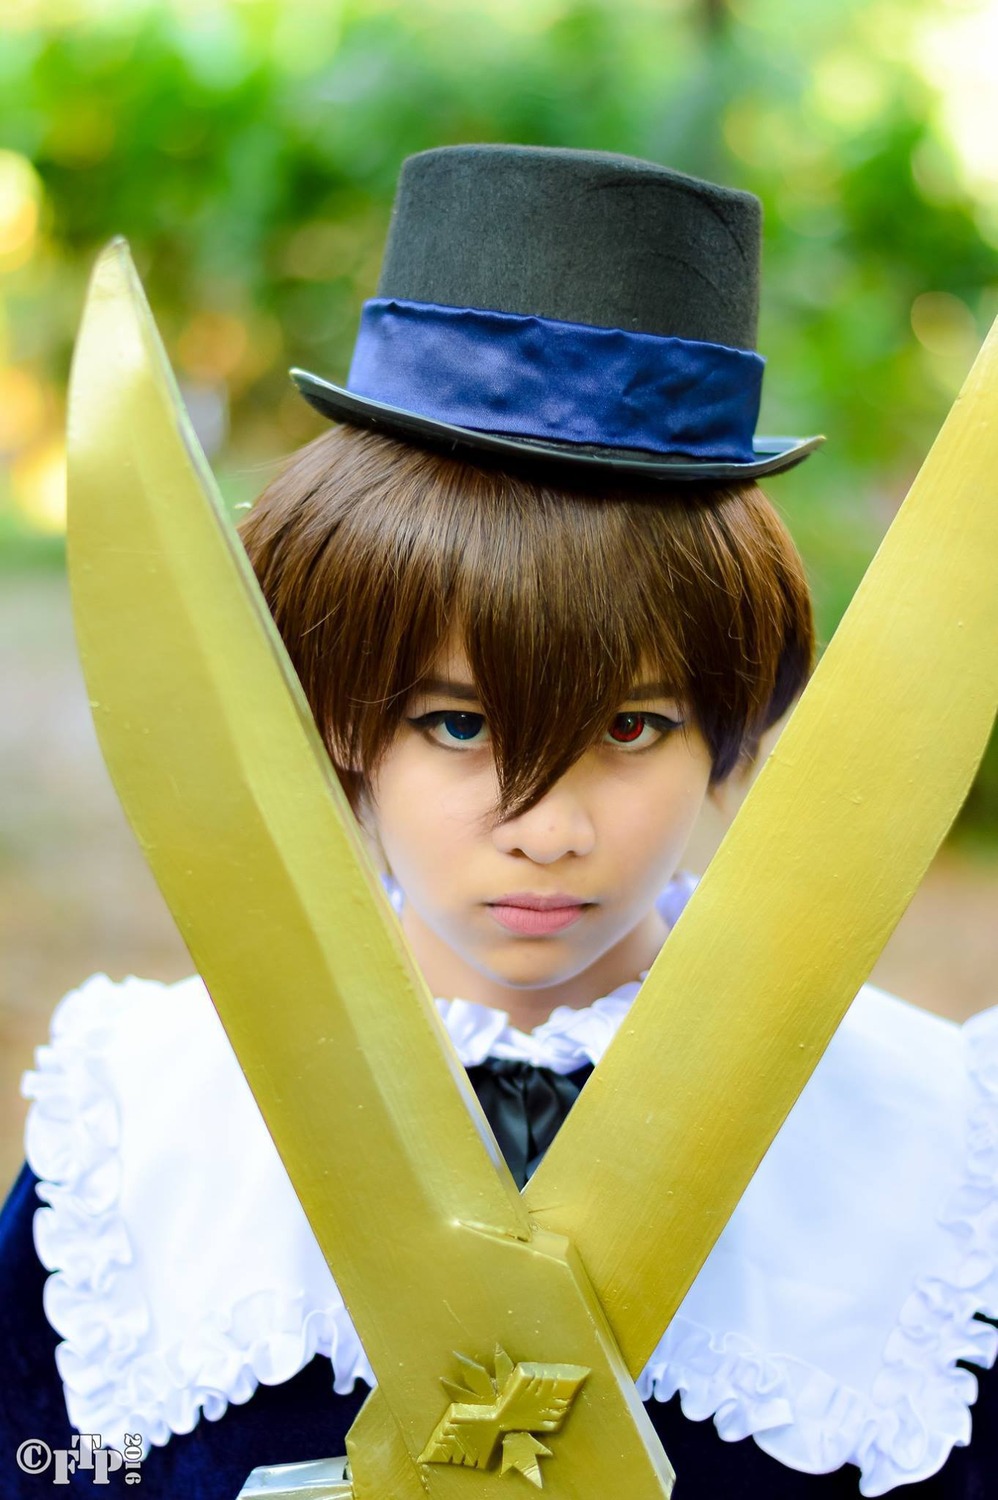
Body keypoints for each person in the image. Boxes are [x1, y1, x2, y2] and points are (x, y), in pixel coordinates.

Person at [2, 144, 997, 1499]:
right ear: (335, 715)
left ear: (734, 723)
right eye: (456, 726)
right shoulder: (141, 1118)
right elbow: (48, 1456)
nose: (544, 829)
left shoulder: (931, 1150)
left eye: (629, 729)